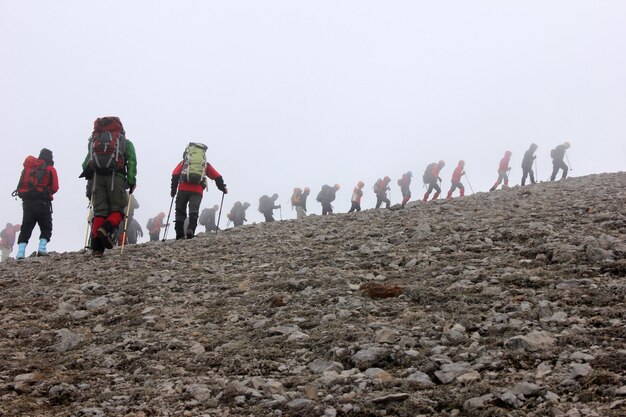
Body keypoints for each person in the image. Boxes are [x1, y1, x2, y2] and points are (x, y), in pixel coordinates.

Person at [80, 117, 136, 257]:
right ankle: (106, 229)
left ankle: (97, 249)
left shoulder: (95, 142)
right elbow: (132, 162)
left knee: (99, 212)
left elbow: (85, 164)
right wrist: (131, 181)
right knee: (118, 210)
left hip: (96, 178)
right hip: (115, 177)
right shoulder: (124, 142)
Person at [171, 144, 227, 239]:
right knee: (194, 211)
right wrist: (223, 188)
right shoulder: (204, 165)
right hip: (197, 190)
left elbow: (175, 174)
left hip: (183, 189)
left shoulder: (184, 163)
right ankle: (191, 230)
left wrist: (173, 190)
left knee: (180, 211)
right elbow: (217, 176)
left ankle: (179, 234)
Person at [14, 148, 59, 258]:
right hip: (43, 202)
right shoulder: (50, 169)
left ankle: (20, 252)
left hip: (27, 202)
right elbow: (55, 187)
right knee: (46, 226)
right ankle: (42, 249)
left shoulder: (29, 169)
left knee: (26, 226)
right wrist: (45, 192)